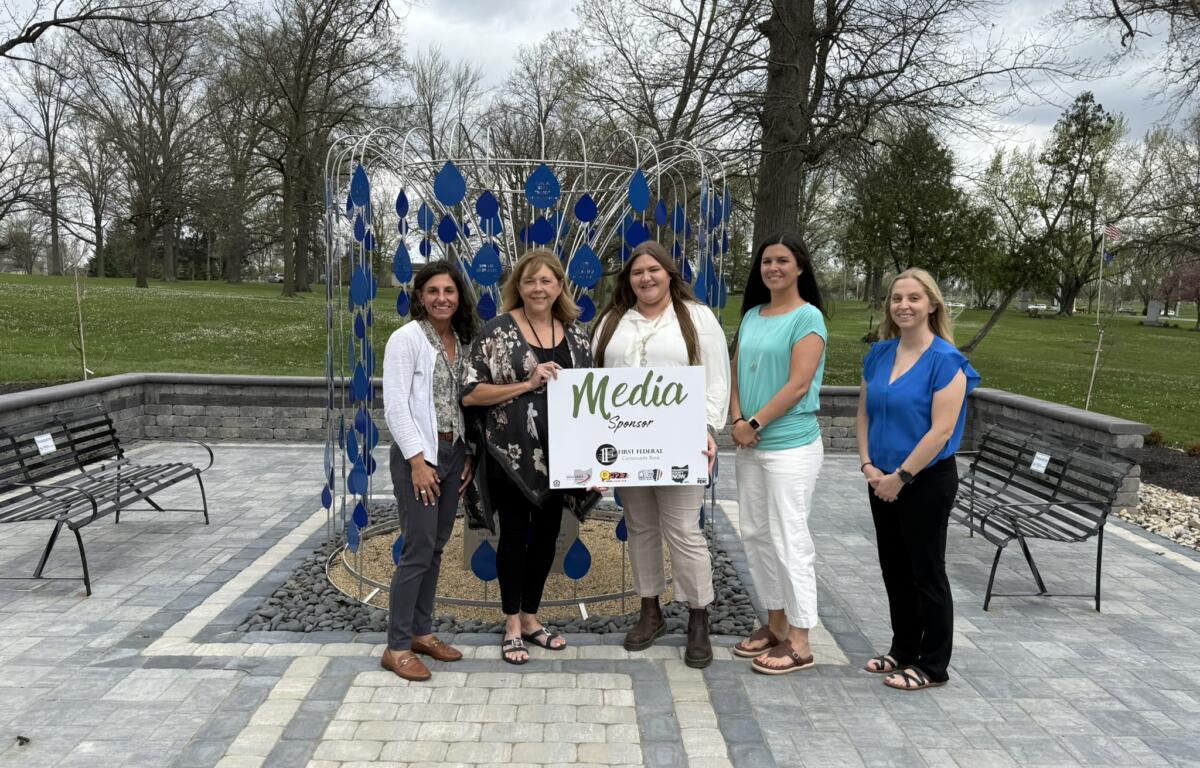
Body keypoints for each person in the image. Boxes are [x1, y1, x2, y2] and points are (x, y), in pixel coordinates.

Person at [591, 240, 730, 668]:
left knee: (684, 530)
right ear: (627, 279)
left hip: (679, 442)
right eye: (637, 272)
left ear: (669, 273)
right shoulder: (613, 320)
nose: (646, 277)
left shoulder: (697, 318)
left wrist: (708, 428)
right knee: (641, 527)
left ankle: (697, 614)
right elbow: (595, 381)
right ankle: (649, 609)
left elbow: (716, 378)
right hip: (625, 444)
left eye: (654, 270)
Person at [461, 248, 596, 665]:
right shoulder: (496, 333)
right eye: (529, 281)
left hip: (562, 454)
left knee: (547, 537)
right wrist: (525, 383)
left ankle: (533, 617)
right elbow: (470, 393)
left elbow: (592, 399)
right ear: (517, 286)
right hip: (513, 454)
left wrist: (597, 460)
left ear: (560, 286)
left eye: (546, 280)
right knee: (515, 536)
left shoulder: (576, 335)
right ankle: (511, 624)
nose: (538, 288)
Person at [857, 267, 980, 691]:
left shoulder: (947, 361)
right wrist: (868, 464)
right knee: (894, 569)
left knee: (926, 572)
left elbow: (940, 431)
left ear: (932, 304)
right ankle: (904, 648)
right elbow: (865, 412)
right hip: (880, 478)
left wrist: (902, 477)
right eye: (896, 298)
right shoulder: (879, 354)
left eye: (913, 298)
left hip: (925, 481)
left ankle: (933, 665)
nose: (904, 305)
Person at [729, 232, 828, 675]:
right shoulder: (752, 315)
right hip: (749, 443)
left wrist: (754, 423)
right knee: (755, 534)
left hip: (789, 444)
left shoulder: (808, 319)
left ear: (800, 267)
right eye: (767, 261)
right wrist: (736, 419)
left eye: (782, 261)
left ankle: (802, 639)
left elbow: (798, 385)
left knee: (790, 537)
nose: (773, 268)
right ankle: (775, 624)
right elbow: (735, 373)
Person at [380, 261, 477, 682]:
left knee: (436, 546)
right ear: (419, 296)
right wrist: (418, 461)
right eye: (433, 290)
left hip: (455, 452)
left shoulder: (461, 340)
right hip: (420, 455)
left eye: (449, 291)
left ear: (459, 297)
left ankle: (422, 631)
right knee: (418, 547)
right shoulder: (406, 340)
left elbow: (466, 402)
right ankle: (397, 645)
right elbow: (396, 405)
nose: (442, 298)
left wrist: (469, 453)